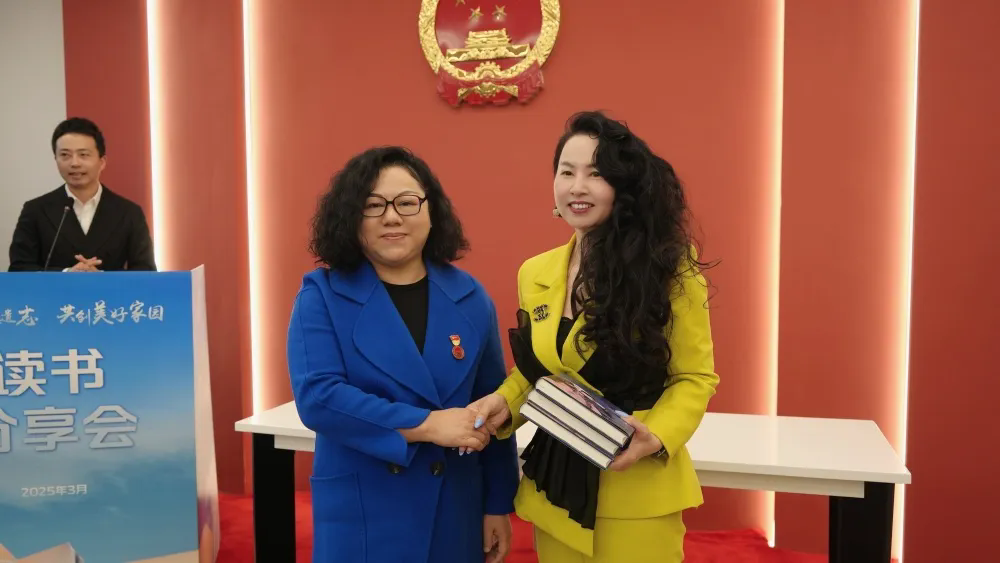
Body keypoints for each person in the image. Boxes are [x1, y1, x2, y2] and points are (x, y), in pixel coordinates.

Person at [470, 111, 720, 562]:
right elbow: (541, 372)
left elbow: (694, 378)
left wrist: (656, 436)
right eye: (566, 172)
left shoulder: (669, 269)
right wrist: (503, 403)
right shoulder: (535, 271)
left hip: (635, 490)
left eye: (596, 174)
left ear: (623, 186)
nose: (577, 187)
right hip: (554, 490)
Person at [286, 146, 519, 563]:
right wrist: (427, 425)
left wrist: (497, 503)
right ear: (351, 217)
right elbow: (320, 398)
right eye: (373, 205)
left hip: (454, 507)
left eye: (407, 202)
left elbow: (494, 404)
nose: (391, 217)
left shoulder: (469, 296)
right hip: (365, 509)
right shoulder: (320, 295)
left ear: (431, 211)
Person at [8, 117, 156, 272]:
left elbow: (145, 271)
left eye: (83, 155)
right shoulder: (35, 210)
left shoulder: (129, 213)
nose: (74, 163)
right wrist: (66, 274)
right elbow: (19, 269)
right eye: (65, 155)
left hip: (109, 289)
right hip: (56, 289)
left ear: (102, 162)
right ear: (56, 159)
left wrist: (102, 277)